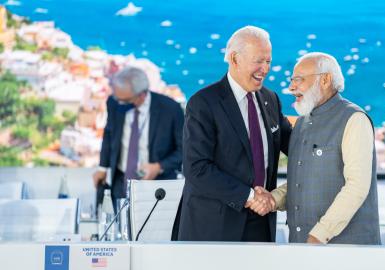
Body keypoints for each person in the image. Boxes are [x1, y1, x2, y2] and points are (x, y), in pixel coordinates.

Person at [174, 26, 291, 242]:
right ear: (235, 59)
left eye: (268, 61)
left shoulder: (270, 99)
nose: (265, 69)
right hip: (214, 226)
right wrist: (250, 196)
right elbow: (196, 168)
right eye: (259, 61)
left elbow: (295, 145)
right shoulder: (204, 103)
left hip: (261, 222)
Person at [250, 52, 381, 245]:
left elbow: (357, 187)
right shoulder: (302, 123)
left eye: (299, 80)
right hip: (304, 249)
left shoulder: (354, 119)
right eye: (291, 80)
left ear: (326, 79)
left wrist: (319, 234)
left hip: (347, 253)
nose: (291, 87)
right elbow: (302, 182)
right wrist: (273, 199)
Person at [92, 66, 184, 208]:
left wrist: (159, 167)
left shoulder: (171, 109)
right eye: (118, 99)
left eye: (125, 100)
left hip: (158, 187)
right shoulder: (114, 102)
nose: (119, 103)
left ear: (141, 95)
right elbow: (109, 134)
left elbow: (183, 150)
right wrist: (102, 168)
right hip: (121, 182)